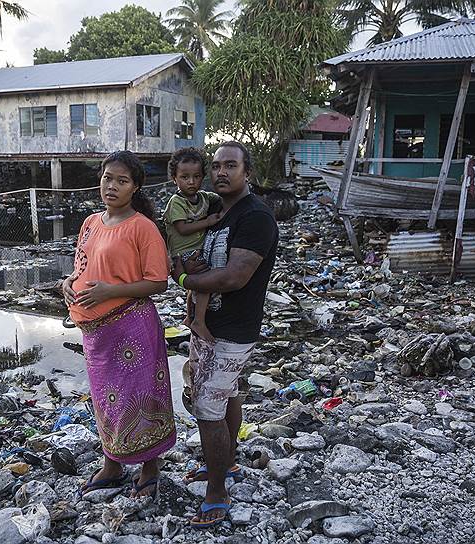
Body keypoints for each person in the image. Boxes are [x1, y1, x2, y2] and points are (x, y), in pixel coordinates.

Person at [171, 141, 279, 528]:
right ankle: (228, 464)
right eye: (215, 166)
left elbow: (235, 277)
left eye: (230, 166)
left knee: (205, 409)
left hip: (233, 331)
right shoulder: (218, 211)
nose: (220, 173)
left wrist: (184, 277)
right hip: (210, 327)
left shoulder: (255, 217)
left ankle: (217, 492)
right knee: (227, 395)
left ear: (247, 172)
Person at [63, 150, 175, 499]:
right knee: (105, 399)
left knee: (141, 398)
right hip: (96, 332)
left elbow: (158, 282)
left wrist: (112, 291)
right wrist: (68, 282)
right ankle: (112, 463)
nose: (111, 186)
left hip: (132, 328)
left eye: (121, 181)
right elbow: (83, 264)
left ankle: (149, 467)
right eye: (107, 177)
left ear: (135, 187)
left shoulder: (143, 228)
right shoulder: (91, 222)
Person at [162, 147, 222, 344]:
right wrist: (209, 221)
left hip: (196, 251)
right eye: (185, 177)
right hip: (183, 253)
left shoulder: (204, 197)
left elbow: (222, 198)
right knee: (205, 284)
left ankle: (189, 317)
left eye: (196, 177)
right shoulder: (176, 202)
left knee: (193, 288)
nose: (191, 182)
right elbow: (182, 229)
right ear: (174, 178)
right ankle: (199, 321)